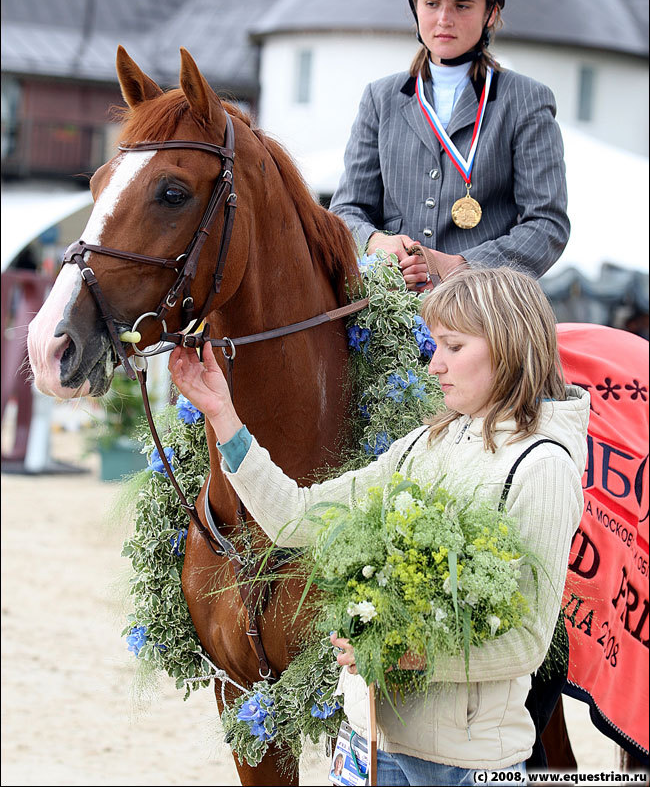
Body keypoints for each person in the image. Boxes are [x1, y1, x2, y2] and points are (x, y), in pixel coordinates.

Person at [169, 266, 588, 786]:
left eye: (453, 347)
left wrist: (403, 653)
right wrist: (222, 414)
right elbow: (297, 518)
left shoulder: (543, 468)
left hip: (465, 765)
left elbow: (527, 641)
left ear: (507, 346)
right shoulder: (423, 445)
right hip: (369, 742)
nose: (434, 365)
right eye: (435, 346)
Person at [329, 0, 570, 290]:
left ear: (491, 12)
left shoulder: (526, 100)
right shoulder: (380, 98)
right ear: (415, 7)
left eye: (462, 5)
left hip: (483, 309)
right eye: (431, 3)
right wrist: (376, 243)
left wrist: (462, 265)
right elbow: (346, 210)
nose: (444, 18)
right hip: (391, 301)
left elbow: (547, 223)